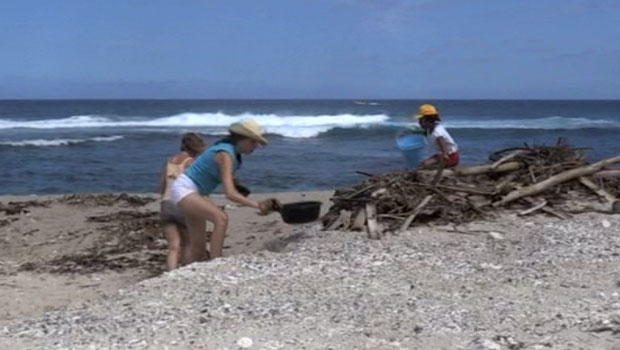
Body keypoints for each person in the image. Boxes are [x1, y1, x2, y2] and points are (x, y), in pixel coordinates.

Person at [170, 119, 280, 264]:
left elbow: (224, 177)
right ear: (242, 139)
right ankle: (217, 262)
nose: (256, 146)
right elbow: (230, 194)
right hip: (184, 188)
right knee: (221, 218)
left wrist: (239, 186)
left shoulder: (232, 153)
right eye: (253, 141)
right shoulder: (226, 154)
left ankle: (183, 276)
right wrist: (258, 205)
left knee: (199, 249)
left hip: (192, 191)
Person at [158, 132, 206, 270]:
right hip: (182, 203)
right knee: (188, 242)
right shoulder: (190, 162)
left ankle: (171, 271)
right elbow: (196, 185)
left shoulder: (169, 161)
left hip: (166, 203)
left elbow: (162, 184)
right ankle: (184, 270)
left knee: (173, 246)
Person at [415, 104, 460, 168]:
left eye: (421, 121)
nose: (419, 123)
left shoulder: (437, 132)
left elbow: (442, 144)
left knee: (424, 165)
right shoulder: (430, 129)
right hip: (442, 155)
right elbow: (427, 134)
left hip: (450, 156)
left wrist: (445, 155)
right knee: (424, 164)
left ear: (428, 121)